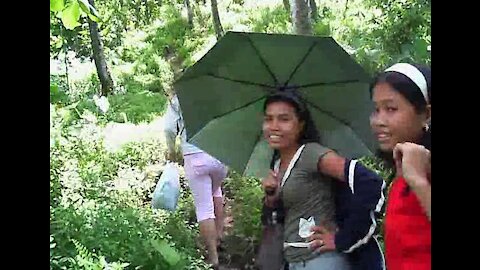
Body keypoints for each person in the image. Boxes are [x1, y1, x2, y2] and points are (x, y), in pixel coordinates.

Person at [260, 90, 385, 270]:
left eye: (284, 119)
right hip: (293, 261)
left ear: (301, 124)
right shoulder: (278, 164)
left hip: (321, 261)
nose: (274, 126)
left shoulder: (312, 153)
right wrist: (271, 197)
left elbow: (370, 182)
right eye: (268, 119)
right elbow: (280, 218)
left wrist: (344, 238)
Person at [369, 63, 431, 270]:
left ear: (426, 114)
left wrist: (419, 181)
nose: (379, 120)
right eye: (376, 110)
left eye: (391, 109)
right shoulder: (400, 168)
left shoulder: (420, 172)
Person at [164, 94, 228, 268]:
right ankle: (220, 235)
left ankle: (213, 257)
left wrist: (171, 149)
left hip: (196, 156)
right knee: (216, 190)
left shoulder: (179, 98)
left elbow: (169, 129)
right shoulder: (215, 93)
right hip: (220, 155)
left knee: (203, 207)